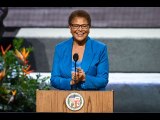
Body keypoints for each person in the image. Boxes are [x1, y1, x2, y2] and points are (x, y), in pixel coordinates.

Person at [50, 10, 109, 90]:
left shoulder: (100, 48)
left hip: (92, 99)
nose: (80, 29)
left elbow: (103, 80)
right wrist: (70, 82)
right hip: (66, 99)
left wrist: (84, 78)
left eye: (84, 26)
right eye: (76, 26)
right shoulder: (60, 48)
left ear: (89, 27)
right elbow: (54, 79)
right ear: (70, 28)